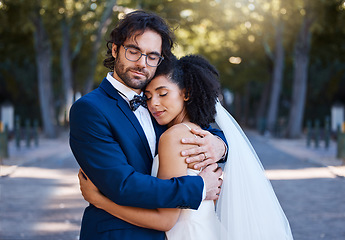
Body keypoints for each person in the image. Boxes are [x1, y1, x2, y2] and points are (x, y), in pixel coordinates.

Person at [79, 54, 294, 240]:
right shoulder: (198, 133)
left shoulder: (174, 137)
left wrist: (99, 200)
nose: (154, 103)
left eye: (163, 94)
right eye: (148, 97)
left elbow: (165, 221)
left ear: (186, 93)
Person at [69, 10, 227, 240]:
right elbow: (122, 184)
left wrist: (220, 145)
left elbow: (198, 129)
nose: (142, 63)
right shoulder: (90, 109)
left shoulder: (159, 103)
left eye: (152, 56)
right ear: (115, 49)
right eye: (133, 51)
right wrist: (199, 187)